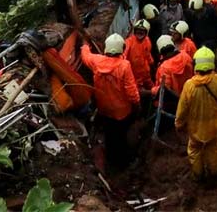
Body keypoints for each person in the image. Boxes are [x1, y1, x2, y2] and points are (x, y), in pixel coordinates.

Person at [80, 34, 140, 171]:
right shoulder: (124, 66)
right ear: (121, 48)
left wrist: (84, 46)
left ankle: (111, 160)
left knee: (110, 135)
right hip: (122, 112)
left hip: (104, 110)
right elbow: (132, 93)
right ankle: (124, 163)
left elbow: (85, 56)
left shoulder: (97, 61)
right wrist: (137, 105)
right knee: (122, 137)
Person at [175, 47, 217, 181]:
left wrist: (179, 124)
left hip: (195, 128)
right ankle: (214, 173)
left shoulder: (189, 86)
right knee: (214, 148)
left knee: (194, 150)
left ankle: (198, 174)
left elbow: (182, 108)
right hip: (215, 126)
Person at [154, 35, 193, 111]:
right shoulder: (186, 56)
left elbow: (165, 91)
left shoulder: (164, 67)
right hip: (190, 96)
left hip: (174, 105)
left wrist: (151, 90)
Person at [124, 19, 154, 92]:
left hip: (146, 74)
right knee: (140, 93)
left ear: (146, 32)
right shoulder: (129, 42)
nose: (140, 32)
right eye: (138, 30)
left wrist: (152, 63)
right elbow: (123, 56)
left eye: (142, 31)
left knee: (153, 88)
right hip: (135, 76)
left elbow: (148, 54)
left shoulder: (147, 40)